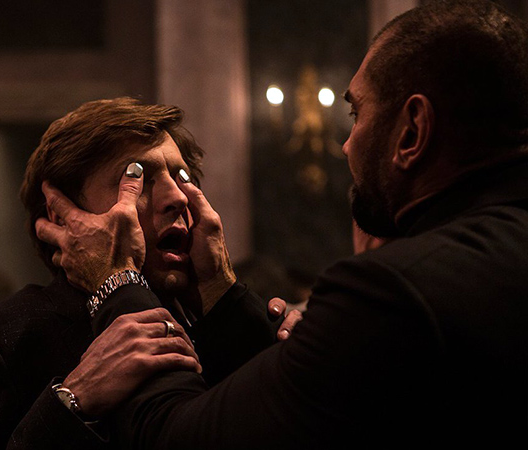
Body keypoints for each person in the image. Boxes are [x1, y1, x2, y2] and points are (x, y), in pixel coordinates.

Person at [37, 1, 528, 448]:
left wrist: (117, 284)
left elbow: (182, 437)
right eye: (137, 178)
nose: (346, 144)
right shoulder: (20, 335)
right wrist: (225, 295)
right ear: (63, 215)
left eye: (355, 113)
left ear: (413, 131)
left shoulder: (391, 293)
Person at [0, 98, 298, 449]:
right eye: (136, 179)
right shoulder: (12, 335)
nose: (178, 197)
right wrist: (70, 401)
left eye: (182, 178)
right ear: (63, 217)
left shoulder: (219, 320)